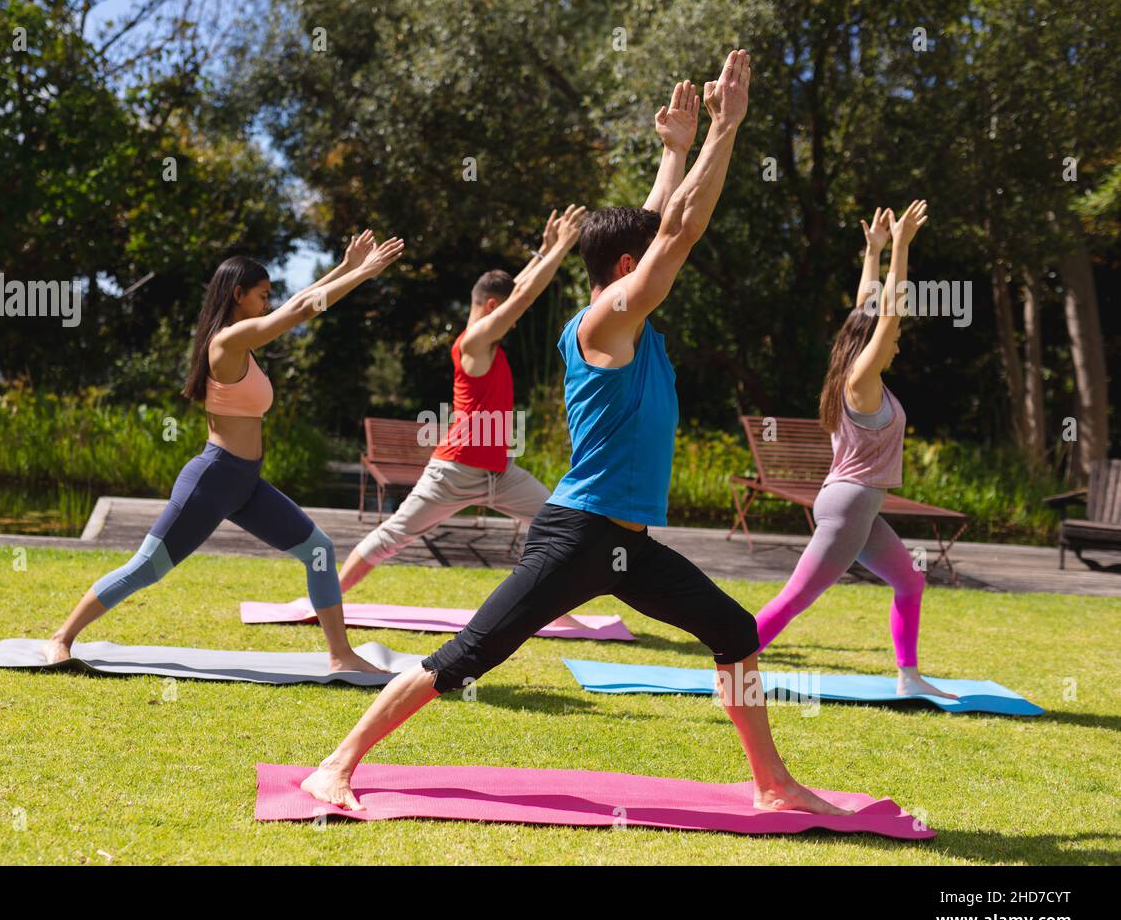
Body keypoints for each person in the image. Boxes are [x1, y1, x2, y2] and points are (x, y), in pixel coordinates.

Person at [300, 52, 849, 816]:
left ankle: (772, 781)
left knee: (734, 630)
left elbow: (658, 226)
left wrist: (675, 151)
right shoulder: (605, 324)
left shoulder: (621, 311)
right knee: (464, 658)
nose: (664, 264)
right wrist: (728, 126)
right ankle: (335, 764)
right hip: (575, 538)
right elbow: (680, 230)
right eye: (645, 259)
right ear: (626, 268)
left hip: (626, 547)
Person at [45, 232, 405, 673]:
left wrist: (347, 268)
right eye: (261, 295)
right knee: (147, 568)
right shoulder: (226, 343)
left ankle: (339, 655)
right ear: (238, 295)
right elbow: (301, 309)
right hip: (212, 481)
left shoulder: (243, 342)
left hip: (246, 483)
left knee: (318, 550)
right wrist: (364, 275)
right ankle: (61, 638)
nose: (268, 303)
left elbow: (301, 299)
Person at [336, 205, 589, 630]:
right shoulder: (474, 341)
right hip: (453, 472)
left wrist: (544, 253)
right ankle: (324, 600)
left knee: (558, 526)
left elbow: (519, 291)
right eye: (505, 312)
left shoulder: (487, 335)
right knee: (393, 536)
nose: (514, 320)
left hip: (500, 473)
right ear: (492, 306)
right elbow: (522, 297)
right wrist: (563, 248)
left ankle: (558, 616)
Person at [754, 201, 954, 698]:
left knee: (910, 582)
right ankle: (733, 661)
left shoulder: (862, 378)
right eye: (894, 338)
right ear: (872, 344)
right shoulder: (861, 382)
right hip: (848, 505)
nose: (898, 343)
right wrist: (903, 249)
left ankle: (909, 678)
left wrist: (874, 253)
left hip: (859, 507)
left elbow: (869, 307)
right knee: (797, 597)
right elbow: (886, 311)